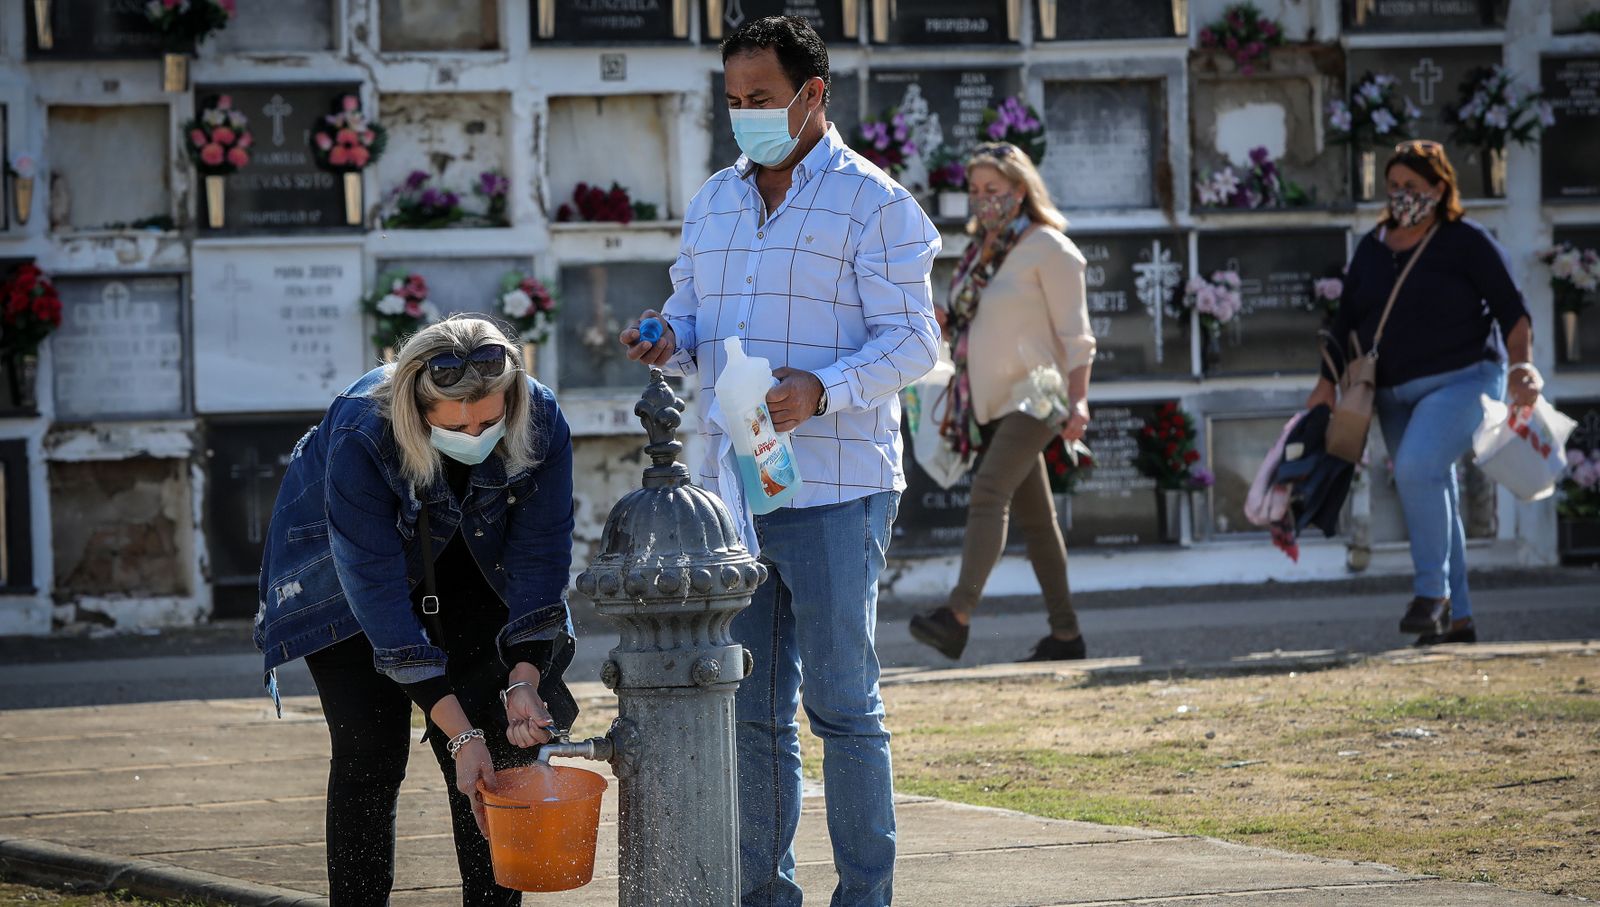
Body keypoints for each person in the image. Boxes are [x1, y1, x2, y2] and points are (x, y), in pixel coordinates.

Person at [617, 16, 939, 906]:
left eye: (762, 100)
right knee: (753, 714)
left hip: (838, 485)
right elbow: (691, 318)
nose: (745, 117)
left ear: (813, 96)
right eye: (733, 102)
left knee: (843, 706)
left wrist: (823, 388)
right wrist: (663, 338)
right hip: (738, 490)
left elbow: (916, 344)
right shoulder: (715, 200)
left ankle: (864, 896)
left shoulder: (875, 203)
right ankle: (766, 895)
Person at [254, 317, 580, 907]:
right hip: (344, 578)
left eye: (489, 420)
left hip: (474, 567)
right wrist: (458, 735)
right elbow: (375, 593)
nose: (475, 435)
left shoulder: (540, 415)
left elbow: (541, 552)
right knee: (370, 755)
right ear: (416, 406)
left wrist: (525, 677)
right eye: (454, 425)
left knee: (501, 759)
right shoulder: (363, 429)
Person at [1307, 140, 1539, 646]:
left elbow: (1512, 310)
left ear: (1439, 188)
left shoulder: (1466, 241)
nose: (1401, 195)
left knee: (1416, 468)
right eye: (1393, 186)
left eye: (1412, 186)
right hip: (1390, 392)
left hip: (1464, 380)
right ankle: (1459, 620)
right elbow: (1345, 319)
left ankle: (1430, 595)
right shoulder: (1371, 247)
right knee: (1434, 488)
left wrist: (1521, 367)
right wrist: (1325, 386)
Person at [905, 142, 1097, 664]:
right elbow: (980, 324)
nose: (983, 200)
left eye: (994, 190)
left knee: (989, 491)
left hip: (1037, 396)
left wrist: (1078, 403)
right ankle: (1066, 636)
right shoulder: (982, 252)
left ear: (1021, 190)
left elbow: (1078, 338)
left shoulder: (1051, 248)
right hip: (991, 402)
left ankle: (957, 617)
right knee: (1038, 524)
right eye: (975, 191)